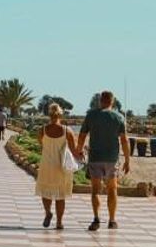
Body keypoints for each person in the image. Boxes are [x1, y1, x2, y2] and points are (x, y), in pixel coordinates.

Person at [76, 90, 130, 231]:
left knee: (95, 190)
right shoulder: (119, 117)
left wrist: (79, 150)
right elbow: (124, 140)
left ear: (101, 100)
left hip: (95, 158)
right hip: (112, 159)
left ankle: (96, 219)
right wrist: (127, 160)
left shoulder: (91, 115)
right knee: (112, 189)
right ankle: (112, 220)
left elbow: (82, 135)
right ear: (112, 101)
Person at [35, 103, 76, 230]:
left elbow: (41, 143)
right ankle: (59, 222)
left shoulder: (42, 130)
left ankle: (48, 212)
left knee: (46, 192)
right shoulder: (67, 130)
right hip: (61, 166)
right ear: (60, 115)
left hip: (46, 164)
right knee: (60, 195)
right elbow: (73, 149)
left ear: (49, 115)